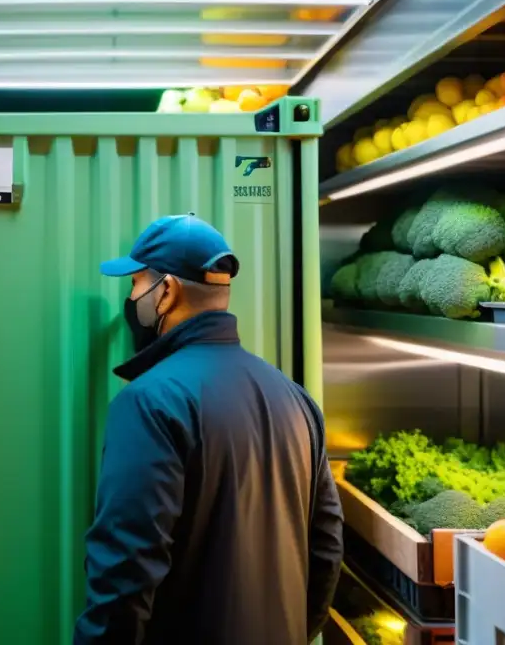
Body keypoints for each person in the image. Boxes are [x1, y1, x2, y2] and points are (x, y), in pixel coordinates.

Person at [74, 214, 344, 645]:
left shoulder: (149, 402)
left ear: (167, 291)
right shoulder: (295, 398)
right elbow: (326, 549)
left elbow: (125, 572)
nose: (132, 297)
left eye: (137, 283)